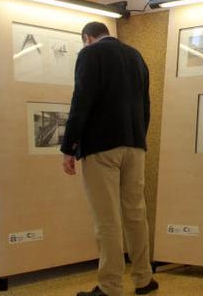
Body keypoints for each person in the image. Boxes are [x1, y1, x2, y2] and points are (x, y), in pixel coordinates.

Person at [61, 21, 158, 296]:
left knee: (107, 218)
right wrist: (138, 137)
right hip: (135, 144)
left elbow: (81, 100)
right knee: (136, 213)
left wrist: (69, 147)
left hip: (101, 146)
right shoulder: (136, 56)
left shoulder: (90, 54)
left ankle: (110, 286)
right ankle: (143, 278)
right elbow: (146, 105)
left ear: (87, 38)